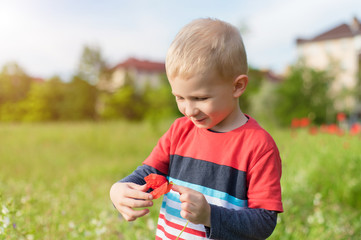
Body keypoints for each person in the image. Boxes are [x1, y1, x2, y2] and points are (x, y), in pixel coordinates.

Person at [110, 18, 283, 240]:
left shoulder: (258, 146)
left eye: (200, 98)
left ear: (237, 86)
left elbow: (264, 221)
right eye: (179, 97)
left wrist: (210, 215)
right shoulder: (179, 131)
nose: (189, 110)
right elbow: (148, 174)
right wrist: (118, 190)